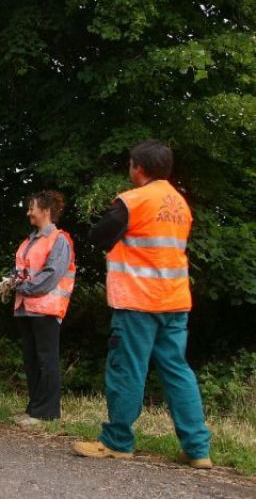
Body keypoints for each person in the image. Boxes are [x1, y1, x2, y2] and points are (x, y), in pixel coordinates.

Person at [73, 140, 213, 469]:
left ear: (138, 167)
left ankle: (117, 442)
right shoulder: (181, 205)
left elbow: (98, 236)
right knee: (178, 371)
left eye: (130, 163)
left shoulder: (133, 201)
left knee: (127, 369)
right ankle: (197, 450)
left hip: (138, 300)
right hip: (175, 300)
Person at [0, 191, 75, 426]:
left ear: (46, 211)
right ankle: (34, 409)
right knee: (31, 360)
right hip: (26, 308)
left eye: (32, 207)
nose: (28, 212)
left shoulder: (59, 239)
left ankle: (46, 413)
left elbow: (50, 276)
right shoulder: (29, 241)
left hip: (46, 309)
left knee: (46, 360)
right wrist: (11, 280)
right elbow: (22, 271)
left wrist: (20, 286)